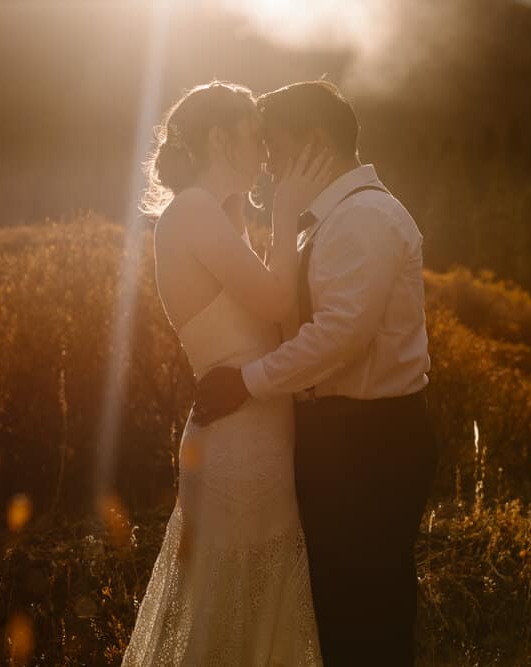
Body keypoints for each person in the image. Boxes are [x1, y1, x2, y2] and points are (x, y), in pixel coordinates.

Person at [192, 80, 437, 666]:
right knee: (343, 605)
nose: (269, 163)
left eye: (275, 146)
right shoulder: (332, 218)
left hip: (370, 439)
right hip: (345, 437)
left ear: (313, 141)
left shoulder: (365, 218)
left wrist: (246, 381)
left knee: (366, 611)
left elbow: (340, 338)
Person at [122, 81, 334, 666]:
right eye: (253, 138)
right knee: (228, 624)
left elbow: (272, 318)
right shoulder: (190, 212)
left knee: (247, 621)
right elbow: (271, 303)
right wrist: (289, 210)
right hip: (238, 443)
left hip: (256, 431)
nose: (267, 154)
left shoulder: (212, 215)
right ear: (220, 139)